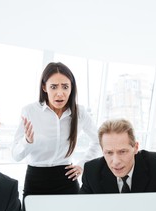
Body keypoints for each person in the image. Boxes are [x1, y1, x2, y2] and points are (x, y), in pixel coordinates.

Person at [12, 62, 100, 197]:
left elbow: (98, 140)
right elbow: (16, 155)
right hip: (36, 180)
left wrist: (82, 164)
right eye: (53, 87)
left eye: (65, 87)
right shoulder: (29, 111)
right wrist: (27, 141)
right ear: (44, 87)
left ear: (72, 88)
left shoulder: (80, 112)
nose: (60, 94)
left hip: (67, 179)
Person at [79, 118, 156, 211]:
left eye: (122, 152)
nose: (115, 161)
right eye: (109, 153)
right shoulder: (91, 171)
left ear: (135, 148)